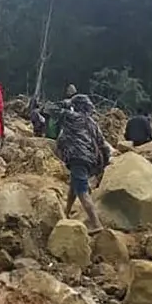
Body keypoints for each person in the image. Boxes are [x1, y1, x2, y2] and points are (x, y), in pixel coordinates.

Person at [56, 94, 108, 234]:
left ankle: (96, 223)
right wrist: (104, 164)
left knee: (82, 191)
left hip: (77, 157)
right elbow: (103, 144)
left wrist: (66, 104)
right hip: (89, 159)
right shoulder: (92, 123)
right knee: (74, 186)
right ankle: (66, 213)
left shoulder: (71, 117)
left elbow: (52, 110)